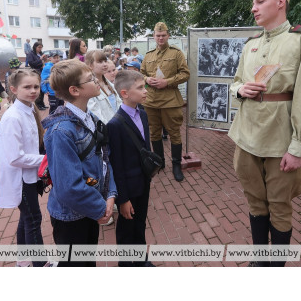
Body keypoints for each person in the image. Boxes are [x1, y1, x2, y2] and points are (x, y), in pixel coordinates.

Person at [228, 0, 301, 267]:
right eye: (254, 3)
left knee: (279, 206)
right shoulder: (252, 44)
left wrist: (298, 147)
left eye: (260, 1)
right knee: (255, 202)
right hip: (246, 137)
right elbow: (235, 83)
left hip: (280, 140)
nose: (253, 7)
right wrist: (240, 90)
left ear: (280, 2)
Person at [42, 59, 118, 267]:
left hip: (89, 208)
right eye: (91, 79)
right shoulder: (60, 132)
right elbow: (69, 188)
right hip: (71, 217)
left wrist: (109, 195)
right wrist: (100, 207)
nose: (96, 81)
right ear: (75, 90)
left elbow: (104, 157)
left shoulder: (89, 117)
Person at [0, 69, 50, 267]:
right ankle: (40, 264)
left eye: (36, 86)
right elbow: (15, 158)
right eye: (27, 87)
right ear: (13, 89)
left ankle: (24, 260)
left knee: (26, 217)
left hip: (29, 174)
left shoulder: (28, 109)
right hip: (20, 177)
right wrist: (46, 160)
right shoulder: (13, 117)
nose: (33, 91)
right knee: (33, 218)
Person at [107, 70, 154, 267]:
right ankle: (126, 263)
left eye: (145, 87)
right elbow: (116, 165)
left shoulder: (142, 114)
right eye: (140, 88)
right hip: (128, 186)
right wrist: (123, 199)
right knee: (127, 227)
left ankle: (141, 260)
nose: (145, 91)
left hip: (143, 181)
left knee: (140, 222)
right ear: (124, 93)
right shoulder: (115, 124)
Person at [140, 22, 190, 182]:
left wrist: (167, 82)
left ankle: (176, 164)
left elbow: (185, 74)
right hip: (151, 102)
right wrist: (147, 79)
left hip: (170, 101)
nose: (160, 38)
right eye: (158, 35)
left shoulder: (176, 54)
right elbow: (140, 74)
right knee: (154, 133)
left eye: (163, 35)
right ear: (154, 37)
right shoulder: (148, 55)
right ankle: (160, 162)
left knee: (174, 133)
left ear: (168, 36)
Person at [85, 50, 122, 125]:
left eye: (105, 61)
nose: (105, 64)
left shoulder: (109, 84)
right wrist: (110, 127)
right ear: (90, 65)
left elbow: (119, 104)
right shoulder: (89, 87)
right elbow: (95, 113)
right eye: (100, 62)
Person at [26, 42, 48, 110]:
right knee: (38, 88)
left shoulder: (40, 53)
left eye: (41, 47)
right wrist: (40, 59)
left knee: (42, 88)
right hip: (36, 72)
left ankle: (42, 103)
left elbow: (43, 62)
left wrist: (45, 59)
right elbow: (31, 63)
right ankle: (38, 104)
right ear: (35, 47)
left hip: (42, 72)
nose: (40, 49)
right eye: (39, 47)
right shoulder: (31, 54)